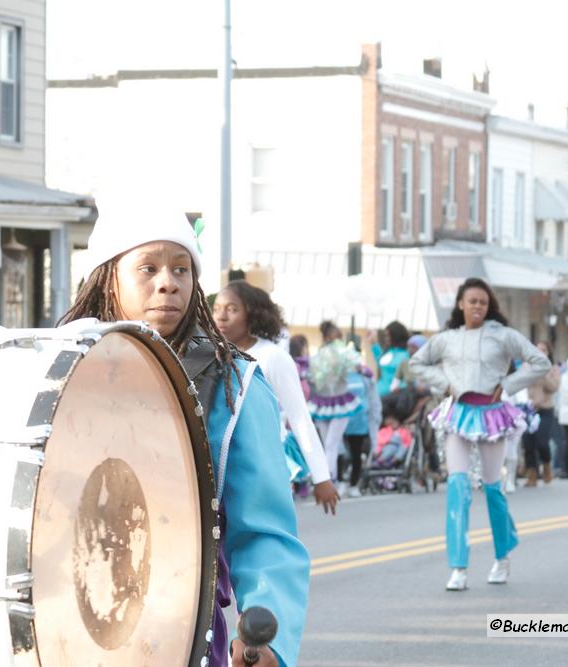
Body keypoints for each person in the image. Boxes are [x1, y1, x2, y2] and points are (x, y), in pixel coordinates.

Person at [60, 207, 309, 667]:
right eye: (148, 269)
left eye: (181, 269)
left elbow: (266, 533)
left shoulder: (236, 386)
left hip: (182, 632)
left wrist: (268, 632)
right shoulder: (59, 370)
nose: (168, 282)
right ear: (106, 279)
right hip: (64, 626)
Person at [410, 277, 551, 591]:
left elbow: (540, 362)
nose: (477, 306)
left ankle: (502, 557)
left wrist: (510, 385)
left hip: (492, 414)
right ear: (460, 303)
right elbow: (417, 362)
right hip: (458, 414)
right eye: (472, 300)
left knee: (492, 490)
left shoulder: (502, 336)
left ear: (489, 307)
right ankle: (458, 566)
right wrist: (444, 383)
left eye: (483, 302)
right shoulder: (446, 339)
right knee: (457, 488)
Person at [212, 280, 338, 514]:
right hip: (221, 467)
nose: (222, 316)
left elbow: (299, 418)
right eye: (217, 308)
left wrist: (321, 477)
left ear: (252, 314)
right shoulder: (210, 353)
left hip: (264, 469)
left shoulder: (272, 357)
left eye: (232, 309)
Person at [309, 321, 363, 493]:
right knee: (329, 444)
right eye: (337, 336)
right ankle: (328, 480)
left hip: (333, 401)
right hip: (328, 401)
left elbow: (356, 366)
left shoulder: (325, 355)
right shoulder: (326, 355)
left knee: (329, 443)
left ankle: (327, 479)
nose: (338, 339)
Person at [522, 341, 560, 487]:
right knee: (528, 443)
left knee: (542, 441)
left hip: (545, 408)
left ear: (548, 353)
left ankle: (547, 466)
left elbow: (554, 387)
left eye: (543, 350)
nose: (540, 353)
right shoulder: (527, 366)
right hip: (529, 409)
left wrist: (543, 373)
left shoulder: (552, 368)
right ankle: (532, 474)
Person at [343, 363, 382, 497]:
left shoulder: (366, 378)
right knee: (341, 454)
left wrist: (374, 418)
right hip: (342, 420)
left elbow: (373, 400)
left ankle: (353, 484)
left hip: (360, 423)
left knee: (356, 455)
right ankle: (341, 481)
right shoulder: (341, 376)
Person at [369, 321, 411, 396]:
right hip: (377, 395)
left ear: (396, 336)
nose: (386, 339)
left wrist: (397, 390)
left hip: (391, 400)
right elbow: (380, 360)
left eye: (388, 336)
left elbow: (407, 381)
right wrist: (373, 343)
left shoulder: (406, 355)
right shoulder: (388, 352)